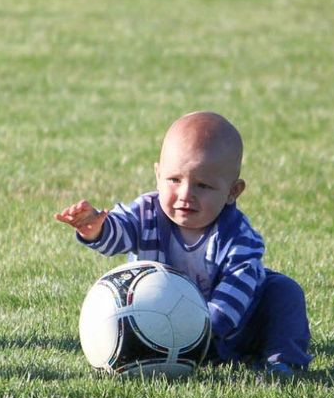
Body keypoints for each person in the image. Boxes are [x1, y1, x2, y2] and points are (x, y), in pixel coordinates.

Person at [56, 112, 312, 377]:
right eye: (174, 180)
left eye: (202, 185)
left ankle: (283, 361)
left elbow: (238, 287)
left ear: (233, 192)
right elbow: (121, 230)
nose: (185, 195)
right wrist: (98, 229)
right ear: (158, 175)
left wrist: (205, 331)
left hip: (234, 331)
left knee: (284, 291)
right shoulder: (147, 213)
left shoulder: (238, 236)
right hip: (162, 323)